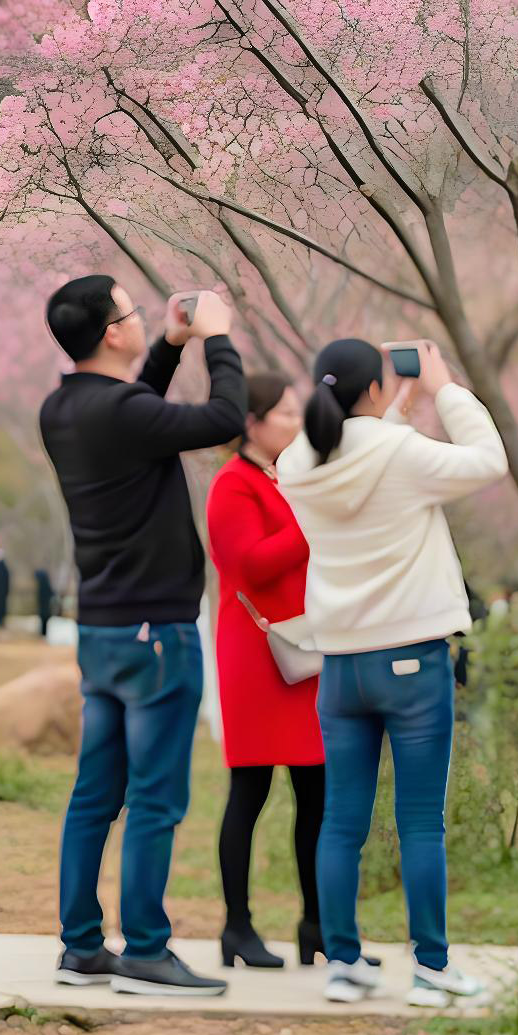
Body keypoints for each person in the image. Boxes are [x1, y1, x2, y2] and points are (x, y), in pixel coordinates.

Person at [277, 338, 506, 1009]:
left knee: (340, 822)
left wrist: (392, 410)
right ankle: (432, 969)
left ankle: (343, 964)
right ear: (376, 391)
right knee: (420, 822)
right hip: (412, 658)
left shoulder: (297, 462)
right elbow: (487, 459)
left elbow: (367, 458)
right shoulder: (400, 453)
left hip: (341, 664)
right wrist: (443, 388)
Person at [39, 276, 245, 998]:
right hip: (159, 631)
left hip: (102, 630)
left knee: (96, 794)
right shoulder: (123, 410)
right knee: (157, 797)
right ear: (111, 334)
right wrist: (215, 335)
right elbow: (224, 417)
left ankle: (82, 947)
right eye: (131, 314)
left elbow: (139, 410)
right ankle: (148, 950)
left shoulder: (60, 408)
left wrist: (168, 343)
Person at [207, 371, 326, 970]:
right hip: (256, 654)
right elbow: (250, 566)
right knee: (249, 793)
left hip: (302, 650)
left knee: (317, 793)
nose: (295, 422)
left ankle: (318, 926)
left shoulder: (289, 479)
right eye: (283, 413)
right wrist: (313, 524)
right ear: (251, 421)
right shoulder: (233, 483)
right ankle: (238, 928)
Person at [35, 566, 56, 635]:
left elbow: (51, 593)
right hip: (44, 606)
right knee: (43, 620)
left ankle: (44, 634)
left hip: (46, 607)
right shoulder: (43, 583)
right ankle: (43, 633)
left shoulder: (44, 583)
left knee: (44, 620)